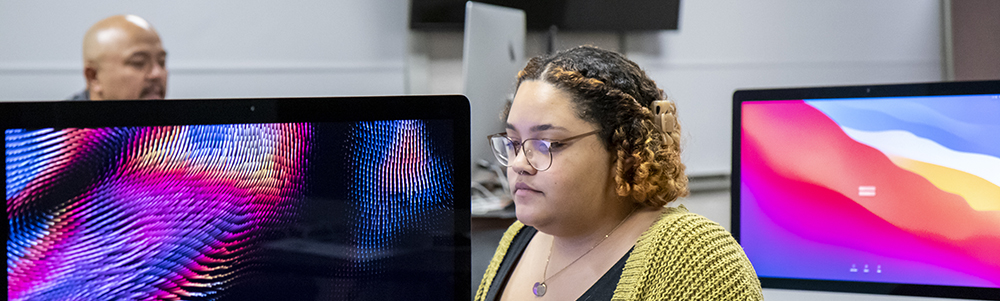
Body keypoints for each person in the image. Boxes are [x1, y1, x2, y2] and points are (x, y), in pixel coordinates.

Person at [475, 46, 763, 300]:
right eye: (513, 143)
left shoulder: (696, 258)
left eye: (548, 144)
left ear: (624, 147)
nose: (518, 164)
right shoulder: (518, 237)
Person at [68, 14, 167, 101]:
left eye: (162, 62)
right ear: (93, 76)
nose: (157, 74)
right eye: (138, 63)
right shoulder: (62, 121)